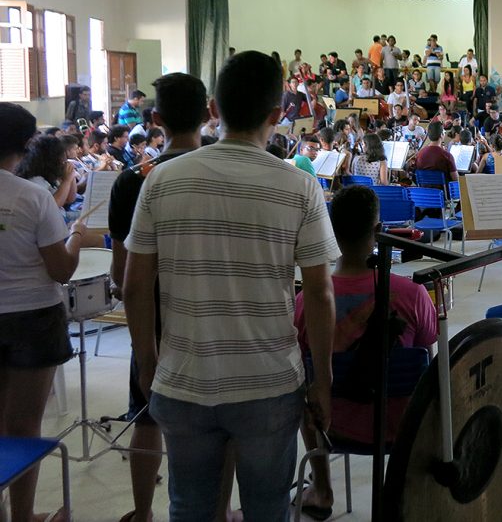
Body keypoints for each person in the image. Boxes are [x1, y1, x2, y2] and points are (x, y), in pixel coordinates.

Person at [122, 51, 339, 521]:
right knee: (266, 507)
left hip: (183, 378)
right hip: (269, 382)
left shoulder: (162, 179)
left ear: (214, 110)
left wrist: (148, 363)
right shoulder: (300, 187)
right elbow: (320, 293)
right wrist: (322, 376)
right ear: (278, 116)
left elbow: (135, 287)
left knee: (190, 506)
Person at [108, 73, 244, 522]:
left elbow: (123, 272)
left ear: (157, 119)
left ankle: (143, 511)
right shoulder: (228, 170)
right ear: (210, 113)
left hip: (156, 316)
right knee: (218, 422)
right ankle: (220, 512)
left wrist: (140, 343)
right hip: (217, 310)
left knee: (146, 417)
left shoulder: (132, 181)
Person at [294, 186, 437, 518]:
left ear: (330, 231)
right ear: (378, 230)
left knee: (305, 390)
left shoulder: (305, 303)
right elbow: (428, 365)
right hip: (402, 428)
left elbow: (302, 369)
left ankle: (323, 489)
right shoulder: (413, 294)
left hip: (332, 425)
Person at [0, 104, 85, 522]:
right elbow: (61, 269)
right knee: (25, 425)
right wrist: (75, 238)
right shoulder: (32, 196)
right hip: (32, 317)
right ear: (27, 144)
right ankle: (23, 515)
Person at [15, 134, 78, 215]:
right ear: (51, 158)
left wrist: (71, 176)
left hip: (62, 216)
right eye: (60, 156)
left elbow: (70, 199)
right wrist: (66, 181)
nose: (63, 160)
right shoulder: (35, 180)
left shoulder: (49, 174)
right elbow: (52, 206)